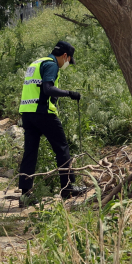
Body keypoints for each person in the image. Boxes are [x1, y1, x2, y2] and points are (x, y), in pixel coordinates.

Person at [18, 41, 88, 203]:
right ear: (65, 56)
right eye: (69, 60)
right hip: (43, 113)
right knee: (61, 148)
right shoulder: (51, 65)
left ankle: (25, 194)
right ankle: (68, 188)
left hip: (27, 114)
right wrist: (70, 93)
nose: (68, 63)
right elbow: (48, 89)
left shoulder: (36, 63)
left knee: (30, 153)